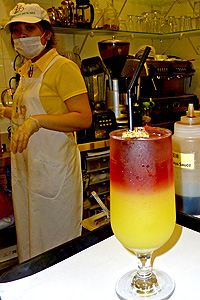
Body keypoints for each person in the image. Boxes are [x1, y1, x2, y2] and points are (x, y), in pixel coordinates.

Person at [2, 3, 93, 263]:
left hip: (54, 171)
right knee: (30, 241)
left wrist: (36, 122)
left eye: (29, 28)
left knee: (55, 244)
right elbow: (24, 112)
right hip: (29, 169)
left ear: (47, 33)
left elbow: (83, 117)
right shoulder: (28, 69)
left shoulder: (63, 68)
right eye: (17, 31)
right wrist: (4, 111)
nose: (22, 36)